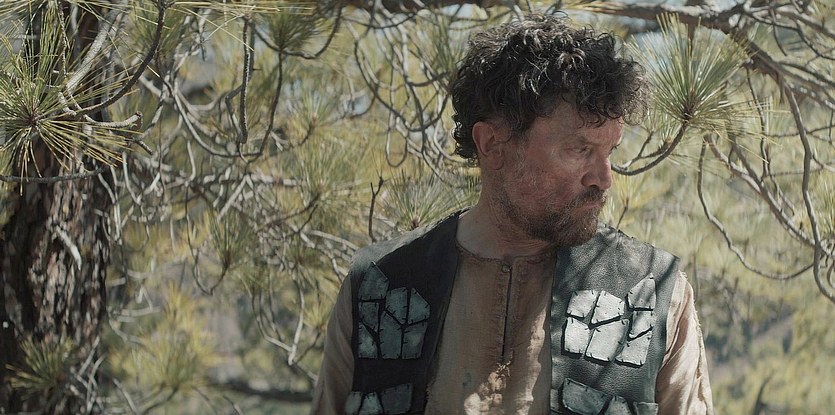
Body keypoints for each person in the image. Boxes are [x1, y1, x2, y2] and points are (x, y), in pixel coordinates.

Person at [312, 14, 713, 415]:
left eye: (610, 151)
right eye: (580, 150)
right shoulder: (380, 287)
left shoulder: (653, 294)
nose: (604, 178)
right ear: (492, 144)